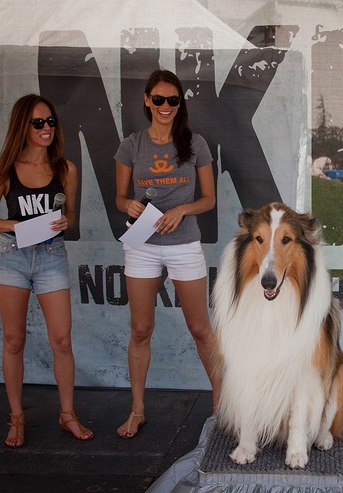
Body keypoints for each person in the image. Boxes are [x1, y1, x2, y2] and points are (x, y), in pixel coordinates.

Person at [0, 94, 94, 448]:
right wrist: (13, 225)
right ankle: (16, 417)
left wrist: (64, 221)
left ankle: (67, 415)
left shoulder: (66, 169)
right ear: (22, 128)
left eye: (51, 122)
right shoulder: (5, 168)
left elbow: (71, 216)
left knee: (62, 340)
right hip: (12, 256)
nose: (47, 128)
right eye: (38, 123)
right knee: (14, 341)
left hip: (50, 255)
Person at [115, 69, 221, 438]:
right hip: (142, 245)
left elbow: (208, 199)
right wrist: (128, 204)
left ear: (180, 104)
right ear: (146, 100)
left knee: (201, 329)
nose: (165, 106)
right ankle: (137, 410)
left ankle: (222, 408)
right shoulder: (131, 145)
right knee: (141, 329)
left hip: (184, 244)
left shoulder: (196, 143)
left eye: (172, 100)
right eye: (158, 99)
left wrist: (182, 210)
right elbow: (119, 197)